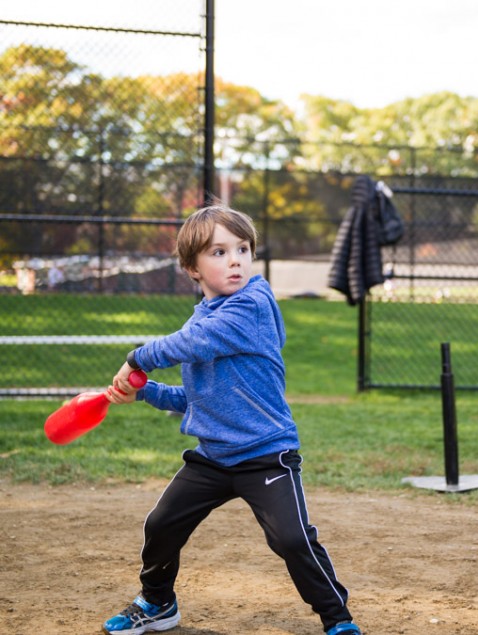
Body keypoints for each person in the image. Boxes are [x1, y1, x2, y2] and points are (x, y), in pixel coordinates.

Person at [102, 204, 361, 635]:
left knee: (292, 540)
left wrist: (136, 359)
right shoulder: (203, 316)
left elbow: (192, 342)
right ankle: (158, 602)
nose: (236, 259)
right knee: (161, 524)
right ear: (192, 268)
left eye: (242, 248)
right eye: (219, 252)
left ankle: (338, 620)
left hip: (266, 455)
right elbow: (198, 398)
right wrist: (143, 389)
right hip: (214, 458)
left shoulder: (252, 304)